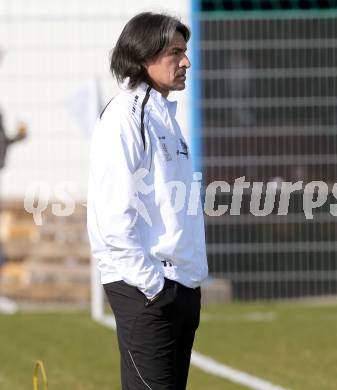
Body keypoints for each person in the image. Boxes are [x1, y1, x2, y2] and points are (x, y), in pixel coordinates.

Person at [87, 12, 208, 390]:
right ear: (144, 55)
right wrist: (153, 286)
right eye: (175, 52)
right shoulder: (125, 116)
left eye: (184, 52)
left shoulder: (165, 117)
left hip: (178, 286)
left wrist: (185, 283)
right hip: (149, 289)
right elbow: (112, 217)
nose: (186, 62)